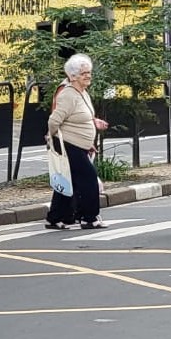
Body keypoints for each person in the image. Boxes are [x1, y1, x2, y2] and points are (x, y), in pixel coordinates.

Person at [45, 53, 109, 230]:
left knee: (68, 180)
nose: (88, 76)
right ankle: (89, 218)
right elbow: (54, 120)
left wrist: (93, 123)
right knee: (88, 179)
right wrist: (52, 138)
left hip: (79, 145)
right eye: (83, 73)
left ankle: (56, 217)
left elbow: (80, 116)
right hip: (69, 145)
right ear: (72, 76)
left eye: (89, 72)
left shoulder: (82, 92)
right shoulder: (68, 94)